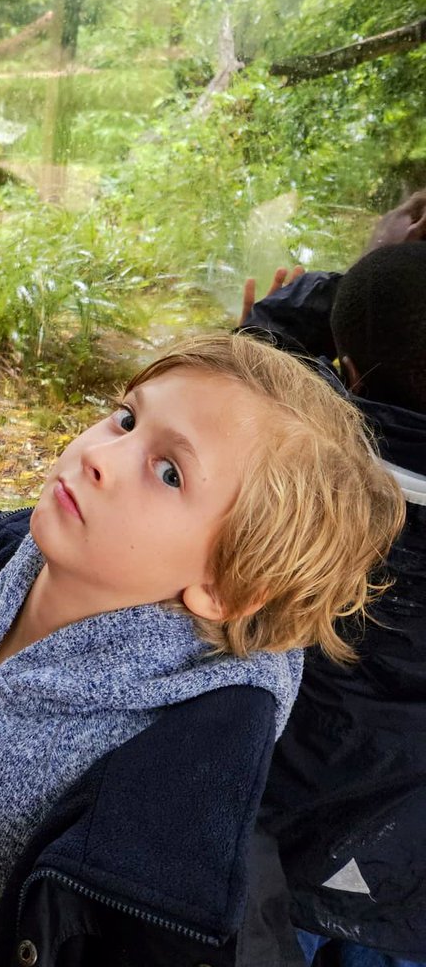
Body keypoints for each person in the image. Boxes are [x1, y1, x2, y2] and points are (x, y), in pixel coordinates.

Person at [0, 330, 404, 967]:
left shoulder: (178, 785)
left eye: (170, 471)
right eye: (127, 418)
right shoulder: (24, 559)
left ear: (225, 585)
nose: (102, 454)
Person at [244, 236, 426, 967]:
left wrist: (276, 337)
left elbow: (236, 382)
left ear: (345, 369)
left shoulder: (301, 475)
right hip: (407, 878)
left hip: (274, 838)